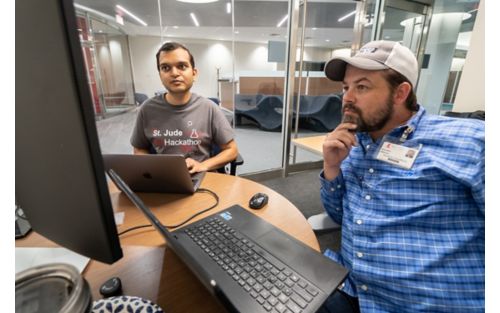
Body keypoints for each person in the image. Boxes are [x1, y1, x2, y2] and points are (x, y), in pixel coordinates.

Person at [317, 40, 484, 312]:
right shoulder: (354, 142)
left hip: (424, 304)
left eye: (362, 86)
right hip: (353, 291)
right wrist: (332, 168)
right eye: (346, 87)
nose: (347, 97)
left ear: (400, 92)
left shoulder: (472, 142)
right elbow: (338, 216)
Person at [130, 42, 238, 174]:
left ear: (194, 73)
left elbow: (231, 150)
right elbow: (139, 149)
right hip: (164, 178)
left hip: (203, 177)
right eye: (165, 68)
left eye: (182, 66)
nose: (174, 73)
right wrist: (155, 169)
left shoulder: (209, 108)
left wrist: (202, 165)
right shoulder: (147, 109)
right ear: (160, 75)